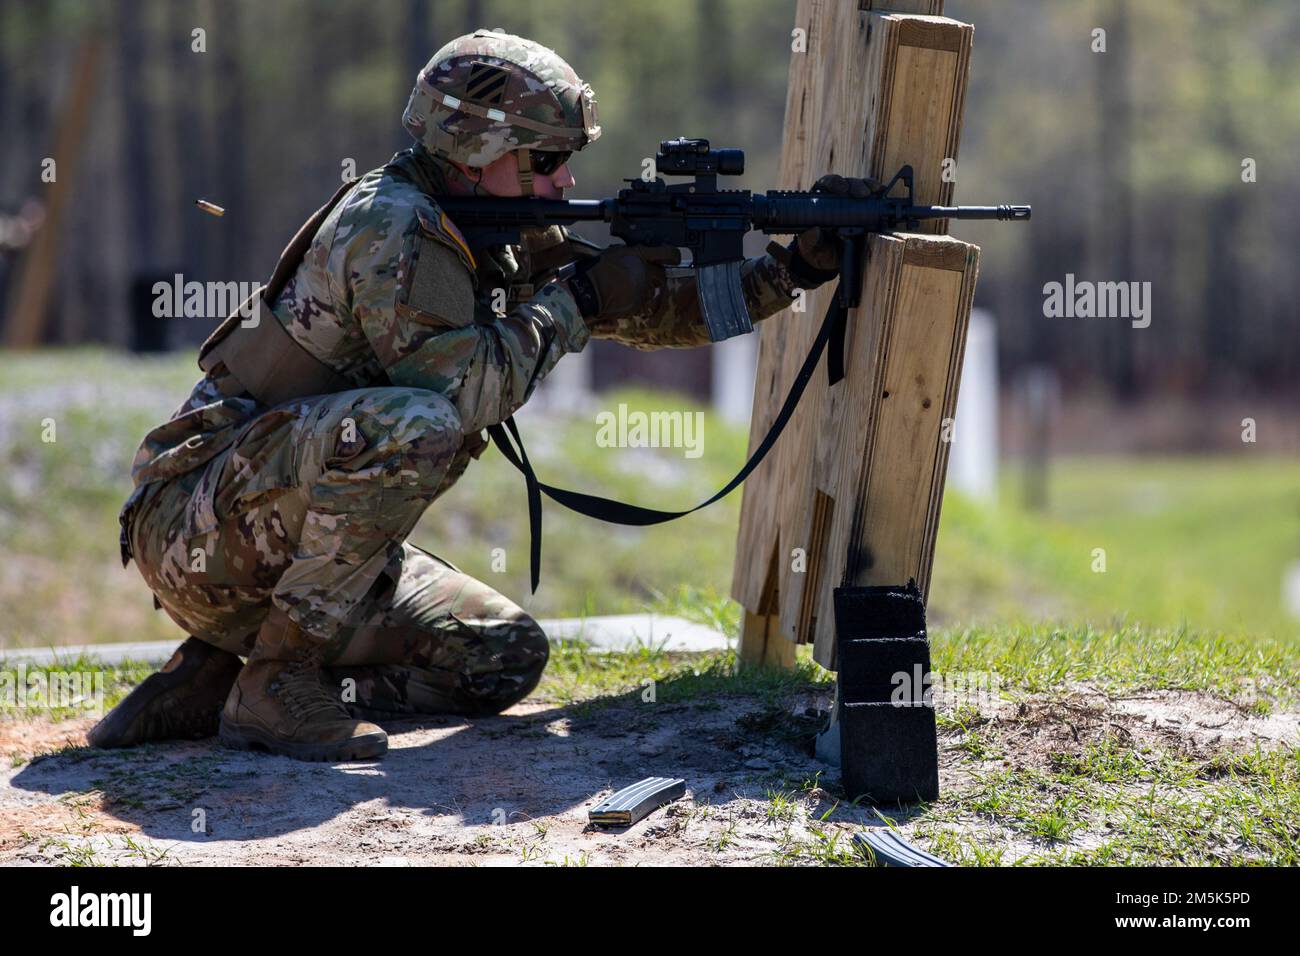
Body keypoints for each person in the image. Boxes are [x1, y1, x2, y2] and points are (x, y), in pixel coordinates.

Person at [90, 29, 863, 762]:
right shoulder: (394, 228)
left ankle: (221, 673)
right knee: (416, 427)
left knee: (499, 658)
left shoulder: (489, 223)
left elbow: (651, 308)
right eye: (549, 157)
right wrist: (577, 304)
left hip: (259, 537)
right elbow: (461, 394)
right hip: (194, 532)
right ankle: (276, 681)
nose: (565, 180)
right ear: (477, 149)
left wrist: (790, 272)